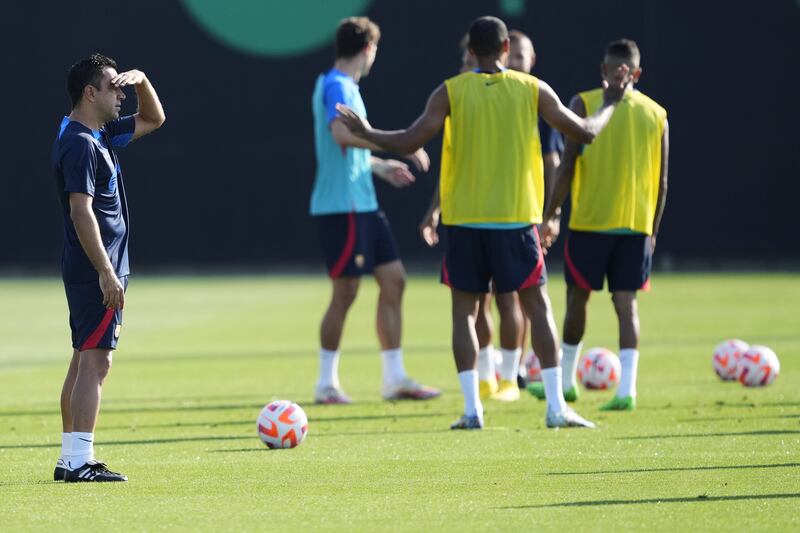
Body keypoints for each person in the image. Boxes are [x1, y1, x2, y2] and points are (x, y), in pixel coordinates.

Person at [337, 16, 629, 429]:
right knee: (538, 308)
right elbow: (584, 132)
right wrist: (613, 101)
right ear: (506, 47)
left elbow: (407, 140)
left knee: (464, 314)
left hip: (465, 222)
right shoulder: (532, 88)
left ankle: (473, 409)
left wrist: (369, 132)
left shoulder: (451, 92)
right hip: (515, 220)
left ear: (470, 52)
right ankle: (555, 409)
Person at [418, 29, 565, 403]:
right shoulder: (465, 93)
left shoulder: (525, 95)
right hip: (484, 216)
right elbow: (454, 161)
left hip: (509, 215)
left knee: (507, 301)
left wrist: (551, 213)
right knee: (481, 304)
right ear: (502, 49)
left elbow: (552, 160)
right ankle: (488, 377)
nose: (515, 60)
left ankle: (510, 374)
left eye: (522, 55)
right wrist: (434, 208)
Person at [533, 38, 669, 411]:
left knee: (577, 299)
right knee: (626, 304)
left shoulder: (584, 103)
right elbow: (663, 182)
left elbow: (567, 167)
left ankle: (566, 381)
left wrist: (551, 214)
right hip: (634, 224)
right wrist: (652, 229)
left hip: (591, 222)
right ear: (637, 73)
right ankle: (627, 390)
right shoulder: (656, 114)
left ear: (604, 71)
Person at [310, 17, 440, 404]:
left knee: (395, 280)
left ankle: (395, 378)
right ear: (368, 48)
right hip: (342, 206)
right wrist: (398, 146)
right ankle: (326, 383)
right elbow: (341, 135)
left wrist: (380, 167)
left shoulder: (343, 85)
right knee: (346, 291)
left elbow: (346, 152)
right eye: (375, 51)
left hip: (363, 202)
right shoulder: (336, 84)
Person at [52, 53, 165, 481]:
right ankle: (81, 460)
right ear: (90, 92)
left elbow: (154, 119)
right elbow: (81, 211)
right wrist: (105, 270)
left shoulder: (96, 134)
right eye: (113, 86)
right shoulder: (81, 143)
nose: (120, 93)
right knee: (97, 362)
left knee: (84, 360)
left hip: (93, 265)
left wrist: (143, 81)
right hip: (94, 266)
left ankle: (69, 458)